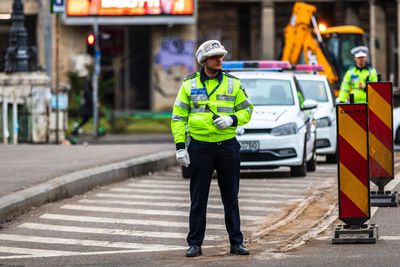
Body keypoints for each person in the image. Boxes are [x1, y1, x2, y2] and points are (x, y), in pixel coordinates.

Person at [171, 40, 253, 257]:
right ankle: (195, 244)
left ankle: (236, 243)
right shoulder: (188, 85)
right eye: (215, 56)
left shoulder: (234, 84)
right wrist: (181, 147)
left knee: (231, 198)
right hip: (200, 147)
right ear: (203, 60)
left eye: (221, 56)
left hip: (227, 146)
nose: (220, 60)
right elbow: (178, 118)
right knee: (198, 198)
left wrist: (232, 119)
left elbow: (248, 111)